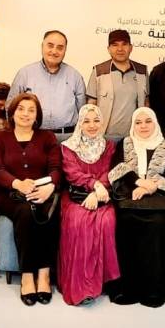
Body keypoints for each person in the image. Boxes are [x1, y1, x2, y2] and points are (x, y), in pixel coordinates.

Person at [107, 107, 165, 307]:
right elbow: (117, 169)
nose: (143, 126)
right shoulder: (125, 144)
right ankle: (129, 288)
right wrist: (138, 183)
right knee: (125, 221)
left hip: (159, 204)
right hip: (129, 199)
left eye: (148, 121)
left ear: (155, 123)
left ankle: (154, 290)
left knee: (158, 224)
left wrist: (153, 186)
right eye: (138, 122)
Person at [0, 93, 61, 306]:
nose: (25, 114)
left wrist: (49, 187)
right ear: (12, 112)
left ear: (37, 116)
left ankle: (44, 275)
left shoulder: (47, 137)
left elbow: (56, 168)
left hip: (43, 192)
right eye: (21, 109)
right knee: (27, 212)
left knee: (49, 212)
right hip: (12, 195)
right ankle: (27, 276)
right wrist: (18, 184)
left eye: (31, 110)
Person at [57, 104, 119, 306]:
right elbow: (72, 174)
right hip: (76, 196)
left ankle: (104, 282)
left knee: (107, 220)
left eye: (96, 120)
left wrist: (97, 191)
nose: (92, 125)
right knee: (78, 221)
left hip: (101, 195)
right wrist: (94, 186)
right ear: (80, 123)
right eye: (86, 121)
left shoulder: (109, 146)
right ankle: (81, 286)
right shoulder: (68, 146)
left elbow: (110, 172)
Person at [6, 30, 85, 136]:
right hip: (33, 136)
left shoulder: (75, 76)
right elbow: (10, 107)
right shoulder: (25, 74)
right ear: (42, 46)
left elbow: (83, 112)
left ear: (65, 50)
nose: (54, 51)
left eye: (60, 48)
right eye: (50, 46)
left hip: (67, 138)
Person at [86, 29, 148, 138]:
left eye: (124, 44)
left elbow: (146, 104)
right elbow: (91, 106)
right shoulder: (99, 71)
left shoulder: (142, 71)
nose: (120, 49)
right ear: (108, 49)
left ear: (131, 48)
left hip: (134, 137)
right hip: (104, 137)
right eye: (115, 45)